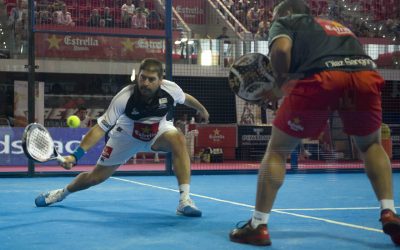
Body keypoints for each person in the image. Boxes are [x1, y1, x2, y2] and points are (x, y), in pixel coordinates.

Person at [229, 0, 400, 246]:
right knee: (372, 145)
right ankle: (388, 210)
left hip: (321, 79)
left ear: (285, 13)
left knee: (277, 151)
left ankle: (258, 225)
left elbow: (281, 51)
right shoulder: (337, 25)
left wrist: (282, 85)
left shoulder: (285, 21)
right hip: (364, 76)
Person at [34, 58, 210, 217]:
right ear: (138, 76)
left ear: (160, 80)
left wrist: (202, 109)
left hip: (158, 131)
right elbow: (99, 129)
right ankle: (61, 193)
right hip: (126, 135)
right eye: (143, 77)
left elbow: (185, 98)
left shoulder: (170, 89)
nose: (145, 83)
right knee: (95, 178)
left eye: (151, 79)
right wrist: (75, 156)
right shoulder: (125, 96)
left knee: (178, 138)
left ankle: (184, 200)